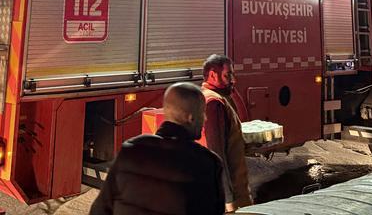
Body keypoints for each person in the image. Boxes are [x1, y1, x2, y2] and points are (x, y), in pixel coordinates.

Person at [89, 83, 225, 215]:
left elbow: (100, 209)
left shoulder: (131, 149)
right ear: (190, 118)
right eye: (202, 113)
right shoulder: (207, 163)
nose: (205, 118)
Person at [202, 54, 252, 212]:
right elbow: (217, 155)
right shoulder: (214, 104)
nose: (233, 80)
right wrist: (229, 200)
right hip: (231, 196)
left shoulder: (210, 97)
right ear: (212, 75)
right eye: (228, 75)